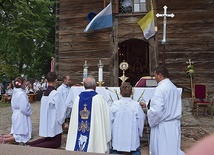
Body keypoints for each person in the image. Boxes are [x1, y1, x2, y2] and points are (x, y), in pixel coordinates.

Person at [140, 66, 185, 155]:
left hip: (164, 126)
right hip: (173, 124)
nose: (154, 78)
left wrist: (149, 113)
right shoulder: (173, 87)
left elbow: (157, 111)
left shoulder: (160, 89)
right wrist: (148, 106)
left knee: (163, 150)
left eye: (155, 75)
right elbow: (169, 104)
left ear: (160, 75)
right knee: (172, 149)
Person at [66, 75, 111, 153]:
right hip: (95, 136)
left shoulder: (77, 99)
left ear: (84, 86)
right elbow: (107, 115)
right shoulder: (99, 99)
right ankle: (94, 147)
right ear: (95, 86)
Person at [27, 72, 66, 148]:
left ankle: (30, 144)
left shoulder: (44, 93)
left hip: (47, 121)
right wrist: (62, 121)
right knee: (56, 142)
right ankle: (34, 147)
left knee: (47, 138)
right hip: (54, 122)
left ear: (47, 80)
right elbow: (60, 110)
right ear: (55, 80)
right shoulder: (55, 93)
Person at [110, 82, 146, 155]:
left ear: (120, 92)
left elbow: (110, 121)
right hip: (132, 138)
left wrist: (111, 134)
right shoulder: (136, 105)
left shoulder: (115, 105)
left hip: (118, 138)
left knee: (116, 150)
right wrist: (139, 133)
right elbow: (141, 120)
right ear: (132, 92)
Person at [0, 77, 32, 144]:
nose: (25, 84)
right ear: (22, 84)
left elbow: (13, 104)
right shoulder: (21, 94)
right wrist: (29, 112)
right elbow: (24, 108)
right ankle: (4, 140)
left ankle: (3, 136)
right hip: (21, 115)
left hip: (16, 113)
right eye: (24, 83)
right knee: (22, 134)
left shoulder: (15, 92)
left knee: (15, 131)